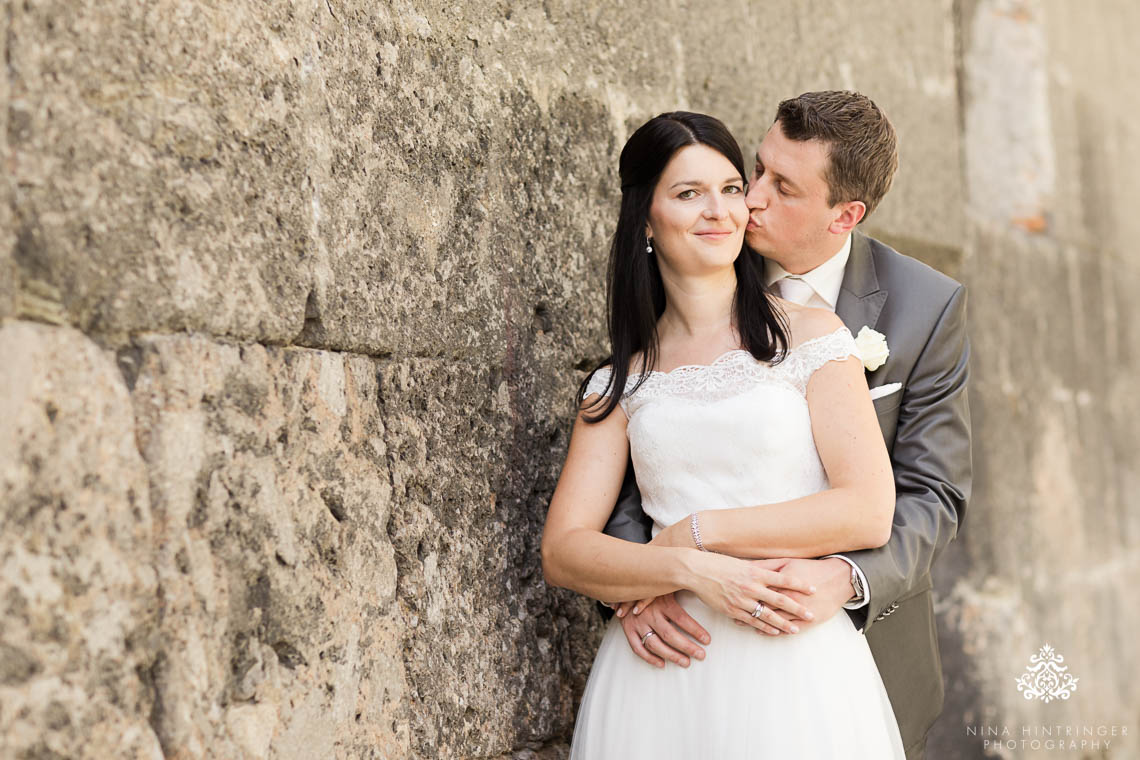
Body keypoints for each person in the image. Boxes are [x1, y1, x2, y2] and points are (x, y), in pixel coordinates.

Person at [602, 91, 972, 760]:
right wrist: (640, 579)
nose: (751, 199)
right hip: (681, 642)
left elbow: (934, 493)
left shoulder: (927, 307)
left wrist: (846, 578)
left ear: (845, 215)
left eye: (783, 186)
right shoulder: (694, 258)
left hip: (847, 649)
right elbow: (645, 443)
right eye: (758, 169)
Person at [540, 110, 906, 758]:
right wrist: (679, 566)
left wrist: (699, 532)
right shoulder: (618, 382)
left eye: (731, 188)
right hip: (660, 669)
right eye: (689, 194)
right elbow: (564, 550)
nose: (720, 210)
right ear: (646, 222)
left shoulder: (814, 339)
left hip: (792, 661)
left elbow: (868, 510)